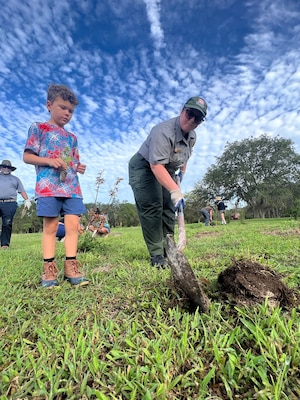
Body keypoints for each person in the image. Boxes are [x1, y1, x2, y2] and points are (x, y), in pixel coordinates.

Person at [129, 96, 207, 268]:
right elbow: (156, 166)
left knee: (168, 207)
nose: (192, 120)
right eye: (190, 113)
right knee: (153, 207)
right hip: (145, 167)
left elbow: (185, 154)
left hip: (169, 169)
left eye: (198, 117)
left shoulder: (192, 136)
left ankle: (169, 247)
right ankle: (157, 255)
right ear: (182, 111)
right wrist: (175, 191)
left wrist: (181, 174)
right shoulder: (162, 132)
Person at [23, 83, 89, 288]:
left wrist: (78, 167)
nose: (67, 113)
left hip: (72, 188)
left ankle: (71, 267)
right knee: (51, 227)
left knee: (72, 227)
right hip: (48, 187)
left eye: (71, 110)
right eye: (62, 107)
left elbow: (73, 161)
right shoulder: (38, 128)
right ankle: (49, 269)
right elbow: (27, 156)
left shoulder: (72, 138)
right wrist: (49, 161)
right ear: (49, 105)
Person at [0, 159, 31, 248]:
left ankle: (4, 244)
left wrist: (27, 200)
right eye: (4, 167)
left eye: (8, 167)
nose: (6, 168)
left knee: (7, 223)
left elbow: (22, 190)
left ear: (10, 169)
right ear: (1, 167)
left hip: (10, 203)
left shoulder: (15, 179)